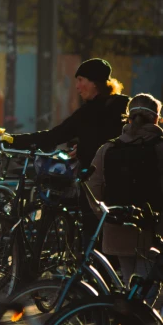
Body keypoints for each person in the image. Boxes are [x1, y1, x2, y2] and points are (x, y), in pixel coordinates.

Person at [8, 58, 129, 241]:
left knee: (92, 236)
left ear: (95, 82)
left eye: (81, 80)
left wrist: (11, 140)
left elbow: (54, 136)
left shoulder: (90, 113)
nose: (78, 86)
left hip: (96, 183)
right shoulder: (123, 104)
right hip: (125, 183)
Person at [87, 93, 163, 287]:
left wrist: (107, 217)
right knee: (147, 288)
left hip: (117, 227)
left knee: (129, 282)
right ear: (157, 118)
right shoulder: (160, 147)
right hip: (152, 229)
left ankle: (128, 314)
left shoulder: (108, 148)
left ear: (128, 117)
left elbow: (93, 187)